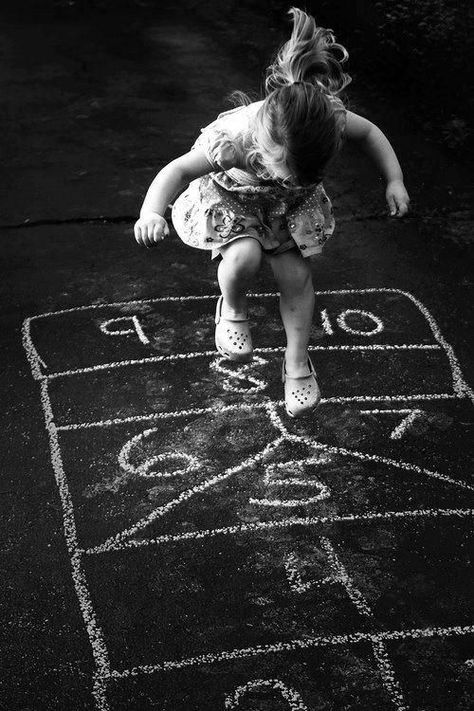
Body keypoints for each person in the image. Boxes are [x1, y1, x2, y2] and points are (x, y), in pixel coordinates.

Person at [134, 7, 410, 418]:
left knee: (295, 276)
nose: (295, 177)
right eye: (287, 171)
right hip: (234, 202)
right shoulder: (233, 140)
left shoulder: (326, 117)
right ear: (262, 152)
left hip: (287, 209)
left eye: (308, 173)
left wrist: (394, 180)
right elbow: (176, 169)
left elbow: (370, 132)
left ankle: (297, 362)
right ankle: (232, 308)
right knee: (244, 256)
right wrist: (151, 211)